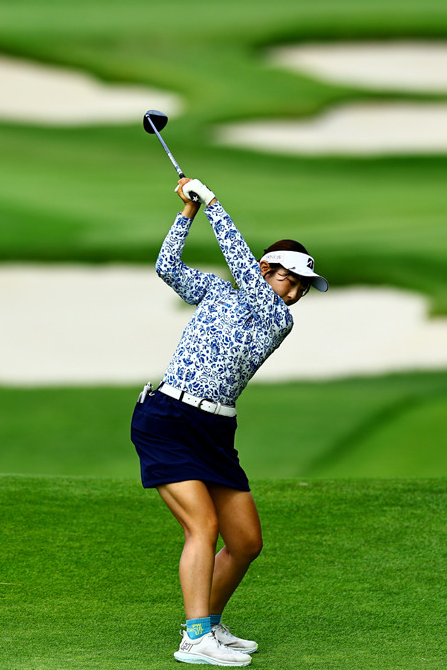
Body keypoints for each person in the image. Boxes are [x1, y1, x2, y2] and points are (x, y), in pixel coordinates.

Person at [131, 177, 328, 666]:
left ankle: (209, 625)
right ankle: (195, 639)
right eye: (290, 279)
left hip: (216, 431)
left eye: (303, 285)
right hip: (169, 417)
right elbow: (167, 268)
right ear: (268, 270)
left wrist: (214, 202)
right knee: (204, 526)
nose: (297, 291)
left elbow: (240, 261)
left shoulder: (275, 316)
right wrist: (188, 215)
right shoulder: (220, 292)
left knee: (245, 541)